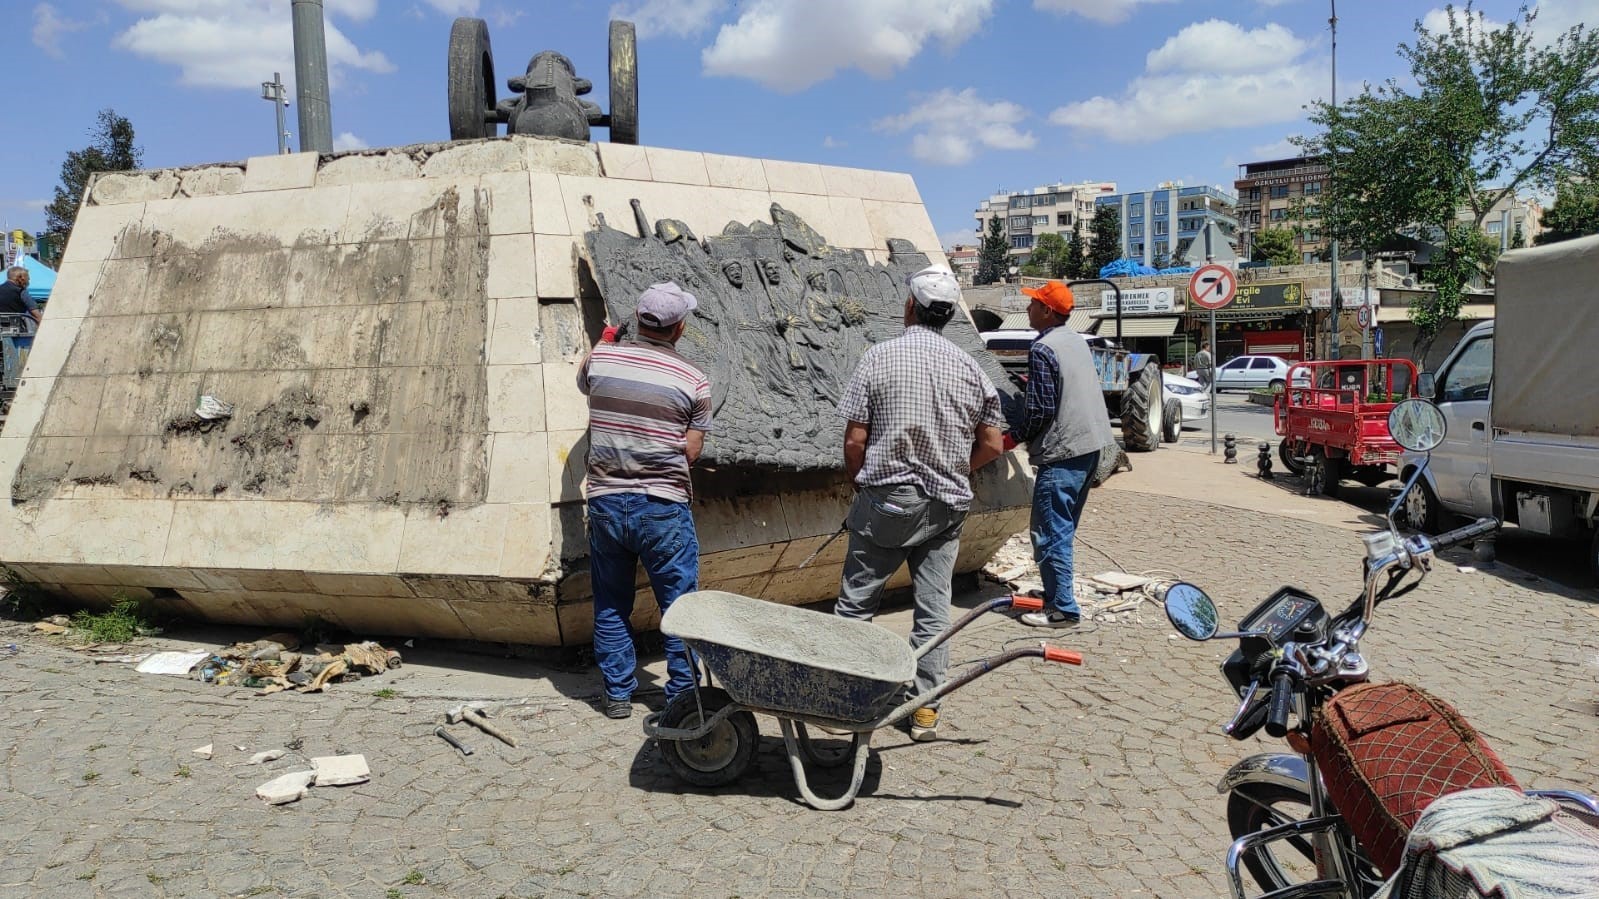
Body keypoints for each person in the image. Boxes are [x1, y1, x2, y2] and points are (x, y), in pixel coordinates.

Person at [832, 265, 1006, 742]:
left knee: (856, 604)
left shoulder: (878, 358)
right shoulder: (971, 368)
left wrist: (861, 483)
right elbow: (993, 444)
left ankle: (848, 695)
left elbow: (854, 440)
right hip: (947, 506)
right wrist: (956, 470)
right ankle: (925, 708)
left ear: (909, 306)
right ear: (948, 315)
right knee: (933, 609)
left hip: (888, 500)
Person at [576, 282, 713, 720]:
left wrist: (605, 340)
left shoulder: (602, 359)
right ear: (679, 328)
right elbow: (691, 451)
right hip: (663, 506)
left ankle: (617, 694)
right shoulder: (694, 380)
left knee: (612, 601)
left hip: (607, 503)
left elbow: (584, 380)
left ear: (636, 319)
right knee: (679, 607)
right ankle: (680, 699)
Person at [1004, 280, 1115, 628]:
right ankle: (1056, 594)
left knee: (1050, 532)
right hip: (1090, 450)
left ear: (1047, 311)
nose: (1028, 309)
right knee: (1062, 531)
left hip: (1061, 454)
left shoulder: (1043, 349)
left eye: (1034, 304)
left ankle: (1062, 610)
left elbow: (1040, 411)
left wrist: (1012, 438)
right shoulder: (1075, 343)